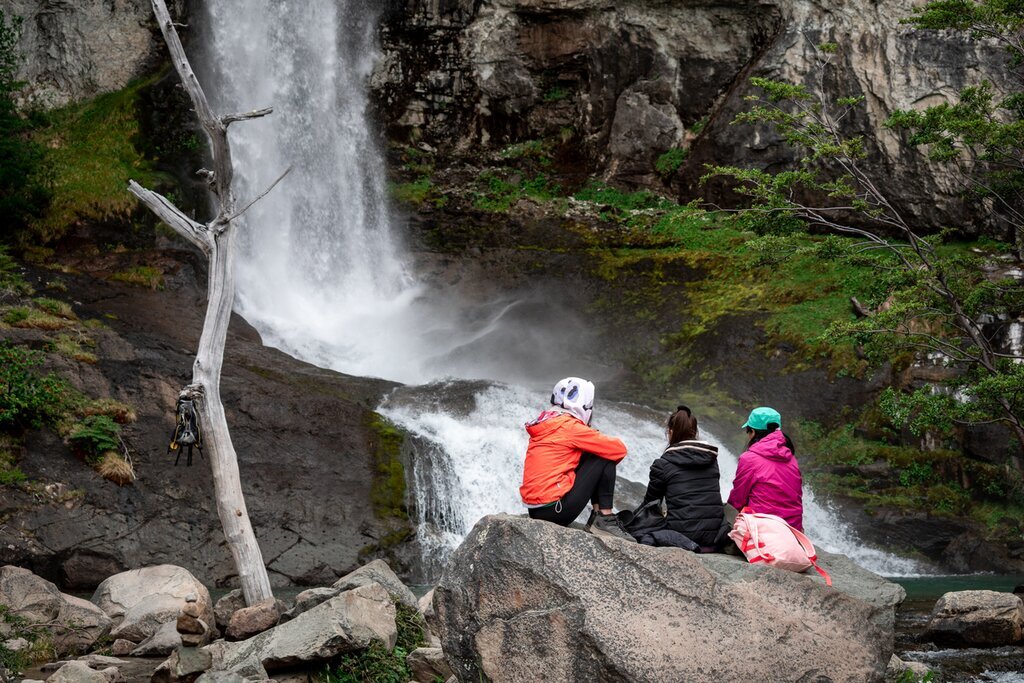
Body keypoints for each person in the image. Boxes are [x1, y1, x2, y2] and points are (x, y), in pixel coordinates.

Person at [520, 377, 634, 541]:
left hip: (535, 510)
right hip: (555, 512)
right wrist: (592, 435)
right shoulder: (570, 426)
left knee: (593, 452)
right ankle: (604, 518)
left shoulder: (548, 423)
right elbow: (619, 449)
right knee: (604, 454)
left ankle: (598, 517)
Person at [640, 405, 729, 550]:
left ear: (670, 432)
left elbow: (650, 505)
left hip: (682, 534)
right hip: (714, 536)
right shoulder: (711, 460)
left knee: (643, 532)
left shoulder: (663, 464)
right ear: (695, 432)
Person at [727, 406, 803, 530]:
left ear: (753, 432)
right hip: (793, 529)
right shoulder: (790, 457)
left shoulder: (749, 459)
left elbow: (737, 500)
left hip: (762, 528)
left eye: (748, 431)